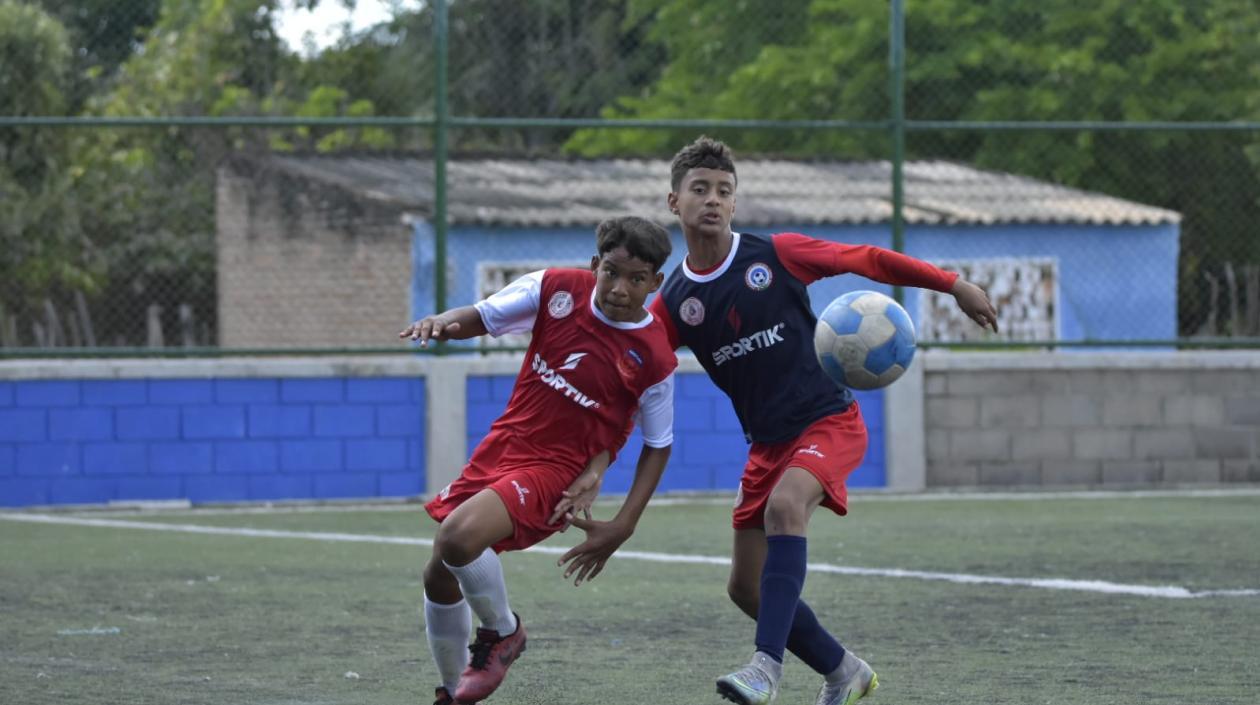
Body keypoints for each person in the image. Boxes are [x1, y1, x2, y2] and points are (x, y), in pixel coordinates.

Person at [646, 136, 997, 705]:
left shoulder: (775, 254)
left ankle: (765, 668)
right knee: (744, 587)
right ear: (673, 202)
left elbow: (868, 259)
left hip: (828, 421)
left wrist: (951, 283)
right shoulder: (674, 301)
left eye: (724, 191)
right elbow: (636, 374)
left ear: (735, 204)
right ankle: (843, 669)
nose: (712, 199)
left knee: (787, 508)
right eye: (700, 189)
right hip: (766, 445)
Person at [399, 215, 679, 705]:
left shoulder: (653, 356)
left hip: (556, 473)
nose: (619, 288)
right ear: (595, 265)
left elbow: (659, 443)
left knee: (458, 537)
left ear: (655, 283)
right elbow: (484, 316)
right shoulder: (555, 290)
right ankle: (449, 692)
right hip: (505, 446)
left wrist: (624, 523)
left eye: (637, 280)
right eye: (611, 272)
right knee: (437, 574)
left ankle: (504, 632)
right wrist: (444, 323)